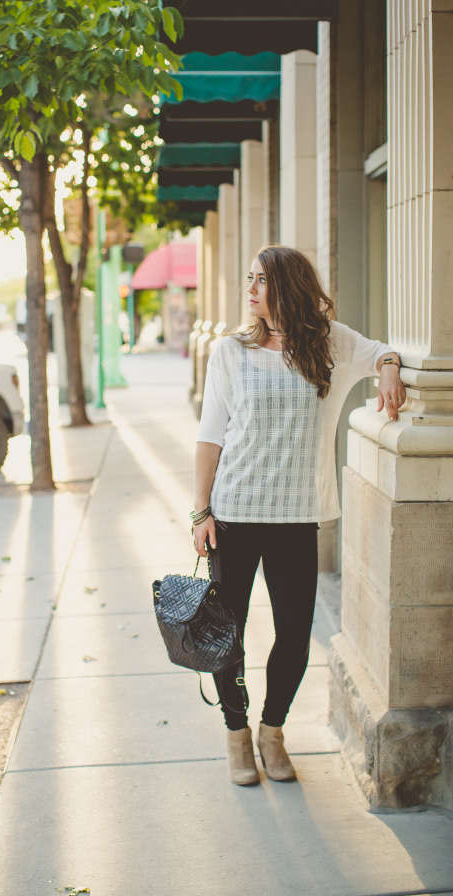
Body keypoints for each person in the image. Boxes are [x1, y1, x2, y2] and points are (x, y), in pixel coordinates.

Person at [192, 245, 406, 786]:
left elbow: (382, 350)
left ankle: (272, 731)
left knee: (293, 631)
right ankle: (237, 735)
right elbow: (210, 437)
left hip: (295, 516)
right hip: (235, 513)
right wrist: (201, 512)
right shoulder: (231, 352)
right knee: (228, 633)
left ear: (287, 285)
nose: (251, 288)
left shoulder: (328, 342)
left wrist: (387, 370)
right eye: (250, 278)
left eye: (262, 279)